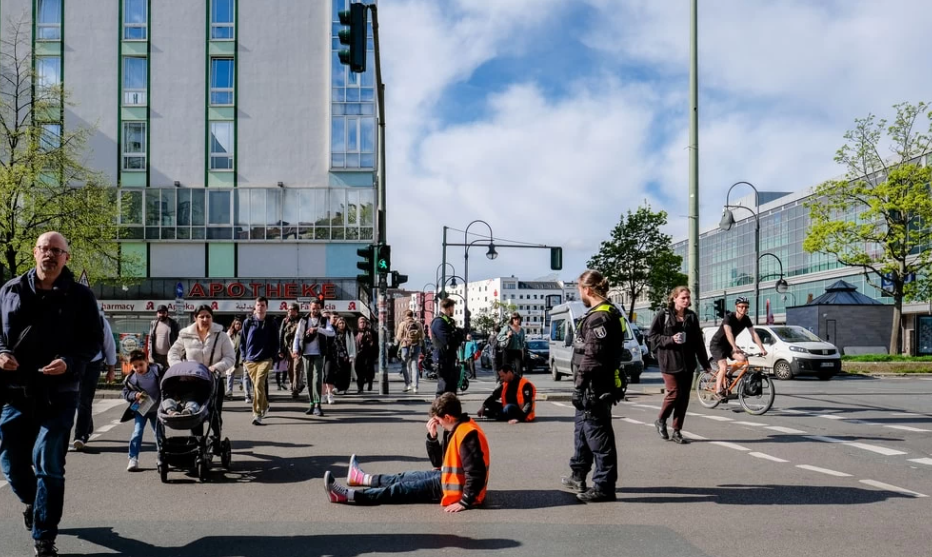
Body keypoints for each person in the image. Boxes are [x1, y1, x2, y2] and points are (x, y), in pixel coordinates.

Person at [0, 231, 102, 557]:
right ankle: (35, 502)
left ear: (66, 258)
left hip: (60, 392)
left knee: (48, 461)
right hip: (16, 391)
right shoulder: (10, 290)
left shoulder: (81, 296)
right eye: (45, 248)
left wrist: (70, 361)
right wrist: (1, 352)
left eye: (57, 250)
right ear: (34, 252)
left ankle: (44, 538)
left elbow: (93, 341)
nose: (51, 254)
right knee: (11, 462)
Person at [323, 393, 489, 511]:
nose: (437, 424)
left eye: (438, 420)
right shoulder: (455, 428)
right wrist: (432, 438)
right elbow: (439, 463)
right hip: (446, 479)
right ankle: (361, 478)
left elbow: (476, 473)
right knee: (404, 477)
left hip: (453, 488)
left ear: (448, 417)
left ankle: (349, 495)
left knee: (399, 490)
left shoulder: (467, 435)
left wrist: (465, 501)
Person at [561, 269, 623, 503]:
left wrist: (579, 386)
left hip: (594, 386)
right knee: (583, 432)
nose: (580, 294)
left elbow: (592, 357)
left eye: (579, 289)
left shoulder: (600, 318)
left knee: (598, 436)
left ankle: (604, 486)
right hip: (593, 385)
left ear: (587, 289)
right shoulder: (602, 313)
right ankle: (578, 474)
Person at [648, 286, 713, 444]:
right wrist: (671, 339)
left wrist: (705, 364)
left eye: (688, 297)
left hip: (687, 363)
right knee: (674, 393)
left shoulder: (691, 316)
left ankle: (677, 431)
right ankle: (661, 420)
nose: (686, 300)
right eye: (683, 297)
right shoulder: (663, 315)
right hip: (669, 361)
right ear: (674, 298)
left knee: (683, 399)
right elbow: (652, 337)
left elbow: (698, 342)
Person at [167, 304, 235, 436]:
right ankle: (198, 443)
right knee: (194, 413)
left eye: (208, 316)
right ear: (195, 318)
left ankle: (216, 438)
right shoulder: (185, 335)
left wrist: (216, 367)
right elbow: (172, 353)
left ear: (212, 318)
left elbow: (230, 357)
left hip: (214, 380)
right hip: (192, 381)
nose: (205, 319)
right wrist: (181, 368)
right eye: (201, 316)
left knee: (214, 414)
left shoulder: (221, 336)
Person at [72, 311, 117, 451]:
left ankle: (80, 436)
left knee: (85, 400)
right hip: (73, 363)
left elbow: (109, 344)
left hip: (93, 364)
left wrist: (111, 368)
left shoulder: (100, 320)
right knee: (76, 399)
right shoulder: (68, 315)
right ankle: (87, 426)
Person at [709, 297, 768, 398]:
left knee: (742, 359)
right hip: (717, 344)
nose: (743, 309)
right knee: (723, 366)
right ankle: (718, 391)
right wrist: (734, 346)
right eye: (741, 306)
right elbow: (728, 333)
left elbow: (754, 334)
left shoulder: (746, 319)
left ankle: (729, 374)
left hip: (729, 345)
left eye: (746, 307)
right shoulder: (729, 317)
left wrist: (762, 349)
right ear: (736, 307)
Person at [240, 297, 279, 425]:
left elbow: (276, 341)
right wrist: (244, 357)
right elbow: (243, 341)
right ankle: (265, 405)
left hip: (266, 359)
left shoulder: (271, 322)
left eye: (263, 305)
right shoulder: (248, 322)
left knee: (258, 384)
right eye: (258, 305)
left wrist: (273, 356)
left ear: (266, 307)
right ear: (255, 307)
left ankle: (257, 414)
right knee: (258, 386)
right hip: (250, 360)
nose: (260, 307)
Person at [121, 350, 162, 472]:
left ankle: (161, 455)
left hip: (157, 409)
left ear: (147, 362)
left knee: (158, 433)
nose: (138, 368)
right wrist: (134, 395)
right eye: (135, 366)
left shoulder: (158, 372)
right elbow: (125, 393)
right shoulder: (131, 379)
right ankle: (133, 458)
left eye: (141, 365)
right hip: (141, 410)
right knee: (137, 432)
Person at [293, 301, 335, 415]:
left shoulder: (324, 320)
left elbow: (331, 333)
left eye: (317, 308)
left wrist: (318, 329)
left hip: (319, 353)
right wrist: (295, 349)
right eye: (313, 308)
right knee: (309, 379)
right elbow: (297, 336)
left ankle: (317, 404)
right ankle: (312, 404)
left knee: (317, 379)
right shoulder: (303, 320)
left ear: (320, 308)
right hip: (306, 353)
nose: (315, 310)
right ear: (309, 308)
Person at [430, 298, 463, 396]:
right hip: (442, 359)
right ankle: (440, 406)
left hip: (449, 358)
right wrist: (458, 334)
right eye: (453, 307)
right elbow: (448, 340)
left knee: (451, 388)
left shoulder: (447, 321)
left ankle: (450, 405)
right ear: (449, 308)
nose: (453, 310)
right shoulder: (439, 322)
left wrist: (457, 334)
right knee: (443, 388)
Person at [395, 309, 425, 393]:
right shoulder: (418, 324)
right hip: (416, 346)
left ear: (405, 315)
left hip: (405, 346)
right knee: (415, 366)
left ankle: (408, 385)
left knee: (404, 365)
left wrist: (404, 339)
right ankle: (415, 387)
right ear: (412, 315)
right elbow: (422, 337)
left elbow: (398, 337)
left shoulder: (403, 324)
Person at [279, 303, 303, 399]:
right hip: (288, 348)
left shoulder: (302, 320)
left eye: (292, 310)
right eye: (288, 310)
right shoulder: (285, 321)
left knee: (296, 368)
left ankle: (295, 389)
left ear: (297, 311)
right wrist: (280, 349)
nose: (290, 311)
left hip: (299, 348)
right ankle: (293, 384)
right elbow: (281, 334)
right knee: (290, 368)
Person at [147, 304, 180, 370]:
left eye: (163, 312)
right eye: (160, 312)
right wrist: (149, 350)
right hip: (155, 356)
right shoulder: (153, 323)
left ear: (167, 313)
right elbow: (150, 337)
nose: (161, 314)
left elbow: (179, 338)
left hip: (169, 356)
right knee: (156, 372)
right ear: (157, 314)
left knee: (168, 373)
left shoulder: (173, 324)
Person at [329, 317, 356, 395]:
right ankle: (337, 387)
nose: (341, 325)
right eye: (340, 323)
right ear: (337, 324)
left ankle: (345, 388)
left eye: (343, 323)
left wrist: (351, 356)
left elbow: (352, 345)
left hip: (346, 355)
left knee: (346, 373)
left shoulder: (348, 333)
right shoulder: (334, 332)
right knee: (337, 372)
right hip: (336, 356)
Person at [224, 317, 249, 401]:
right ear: (233, 325)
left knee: (244, 375)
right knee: (230, 375)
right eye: (236, 324)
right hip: (231, 357)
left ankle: (247, 394)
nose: (238, 325)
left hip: (241, 357)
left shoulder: (243, 333)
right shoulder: (228, 334)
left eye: (239, 324)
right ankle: (229, 393)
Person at [497, 312, 527, 377]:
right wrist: (507, 336)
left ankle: (517, 382)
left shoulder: (522, 330)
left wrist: (523, 350)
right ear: (512, 320)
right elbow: (498, 337)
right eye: (515, 319)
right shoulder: (507, 327)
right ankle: (504, 382)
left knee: (519, 369)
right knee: (506, 369)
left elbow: (522, 342)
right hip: (508, 350)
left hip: (517, 351)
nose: (516, 320)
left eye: (518, 319)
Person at [354, 315, 378, 394]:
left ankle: (370, 383)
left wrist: (370, 340)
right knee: (358, 372)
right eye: (361, 322)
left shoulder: (372, 333)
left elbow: (375, 345)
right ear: (358, 324)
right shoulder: (355, 332)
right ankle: (360, 388)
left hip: (368, 356)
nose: (362, 324)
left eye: (364, 322)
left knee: (368, 372)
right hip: (358, 356)